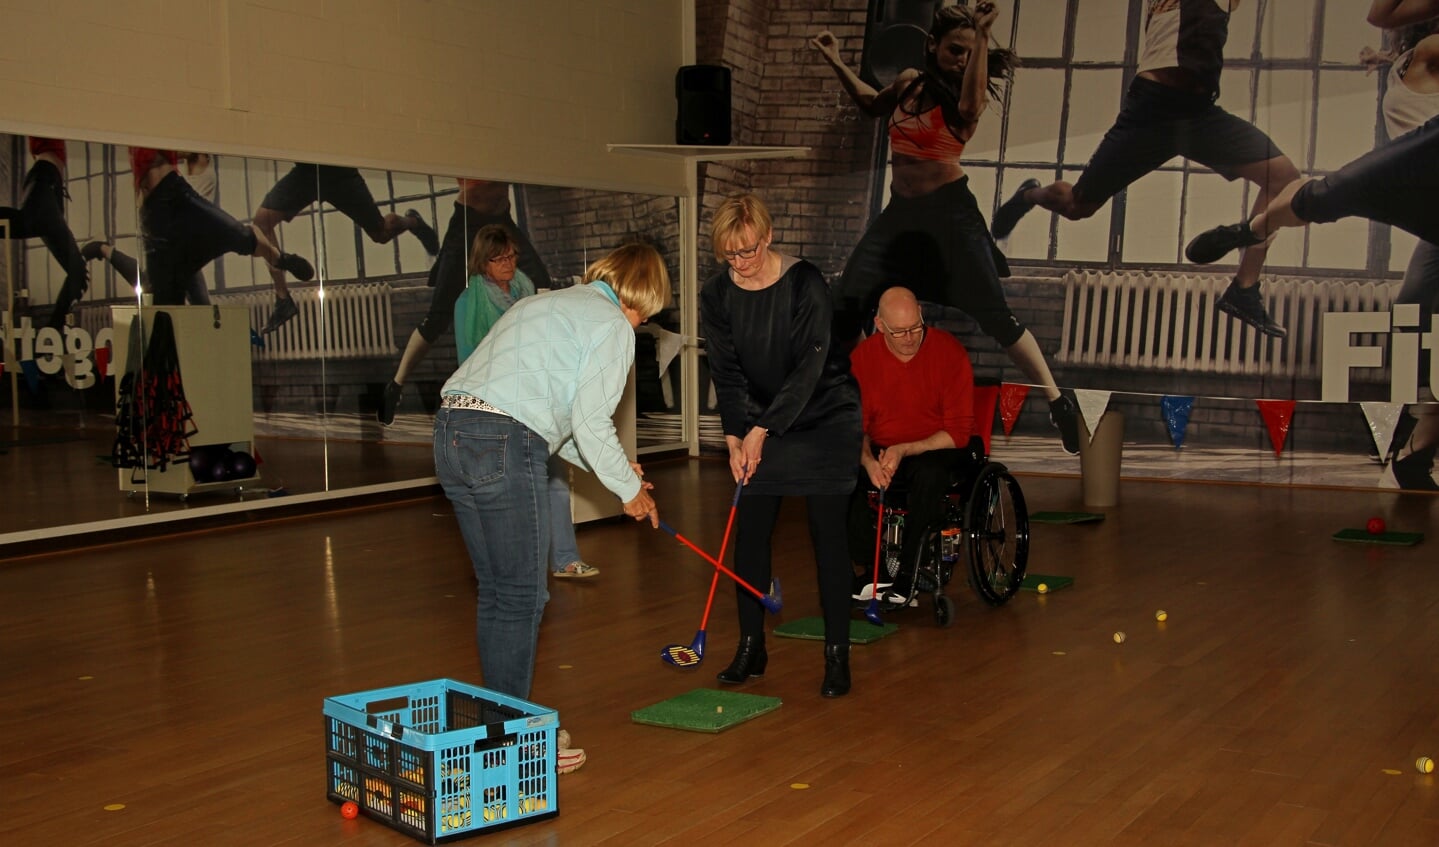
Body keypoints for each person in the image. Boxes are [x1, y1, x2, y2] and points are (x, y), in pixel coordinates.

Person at [434, 241, 667, 772]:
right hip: (503, 439)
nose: (643, 321)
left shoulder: (540, 302)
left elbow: (550, 421)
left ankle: (501, 724)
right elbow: (585, 421)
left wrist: (614, 471)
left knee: (497, 592)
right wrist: (627, 492)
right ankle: (515, 741)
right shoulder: (611, 325)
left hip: (451, 432)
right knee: (521, 596)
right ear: (646, 298)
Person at [811, 2, 1082, 455]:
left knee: (996, 315)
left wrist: (980, 33)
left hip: (951, 217)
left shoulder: (963, 104)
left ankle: (1059, 402)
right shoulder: (907, 82)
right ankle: (858, 402)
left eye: (970, 53)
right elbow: (867, 104)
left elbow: (974, 101)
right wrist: (836, 59)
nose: (961, 59)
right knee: (846, 306)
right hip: (900, 216)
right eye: (955, 50)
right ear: (932, 45)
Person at [1188, 1, 1439, 488]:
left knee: (1413, 306)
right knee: (1410, 309)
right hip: (1420, 196)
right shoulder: (1412, 57)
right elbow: (1381, 14)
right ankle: (1252, 231)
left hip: (1427, 178)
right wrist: (1388, 58)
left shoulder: (1425, 52)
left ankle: (1422, 440)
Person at [990, 0, 1301, 339]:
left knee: (1284, 178)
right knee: (1077, 206)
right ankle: (1029, 194)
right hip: (1151, 110)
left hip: (1199, 113)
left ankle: (1244, 287)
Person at [700, 193, 861, 698]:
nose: (740, 264)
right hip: (759, 422)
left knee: (827, 536)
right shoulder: (717, 295)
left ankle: (837, 654)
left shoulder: (804, 282)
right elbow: (726, 374)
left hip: (825, 417)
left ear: (767, 238)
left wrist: (761, 430)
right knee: (751, 535)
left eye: (747, 251)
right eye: (730, 254)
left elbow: (810, 367)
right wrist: (733, 438)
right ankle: (752, 645)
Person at [450, 224, 600, 577]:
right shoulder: (469, 300)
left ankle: (565, 559)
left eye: (511, 255)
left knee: (557, 484)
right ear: (483, 261)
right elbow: (468, 357)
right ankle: (514, 569)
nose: (508, 263)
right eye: (499, 257)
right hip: (496, 407)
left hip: (537, 400)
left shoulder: (526, 287)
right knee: (507, 497)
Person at [379, 179, 552, 424]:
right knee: (437, 317)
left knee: (543, 285)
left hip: (501, 221)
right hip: (466, 224)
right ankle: (395, 387)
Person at [847, 287, 979, 604]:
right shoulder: (862, 359)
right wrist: (868, 462)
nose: (909, 338)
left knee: (929, 474)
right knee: (841, 472)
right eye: (899, 332)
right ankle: (874, 570)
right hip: (882, 446)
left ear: (921, 312)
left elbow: (958, 432)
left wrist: (904, 449)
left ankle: (908, 570)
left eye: (916, 327)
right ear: (879, 325)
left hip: (938, 447)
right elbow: (854, 427)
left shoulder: (949, 353)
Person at [254, 163, 440, 334]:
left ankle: (413, 222)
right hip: (307, 172)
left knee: (381, 234)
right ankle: (283, 299)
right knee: (261, 223)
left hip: (339, 173)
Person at [130, 147, 313, 306]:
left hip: (177, 194)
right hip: (153, 213)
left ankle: (279, 258)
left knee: (238, 234)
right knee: (164, 299)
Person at [0, 137, 88, 330]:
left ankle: (50, 335)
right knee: (27, 223)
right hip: (44, 179)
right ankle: (51, 333)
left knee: (78, 273)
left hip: (51, 186)